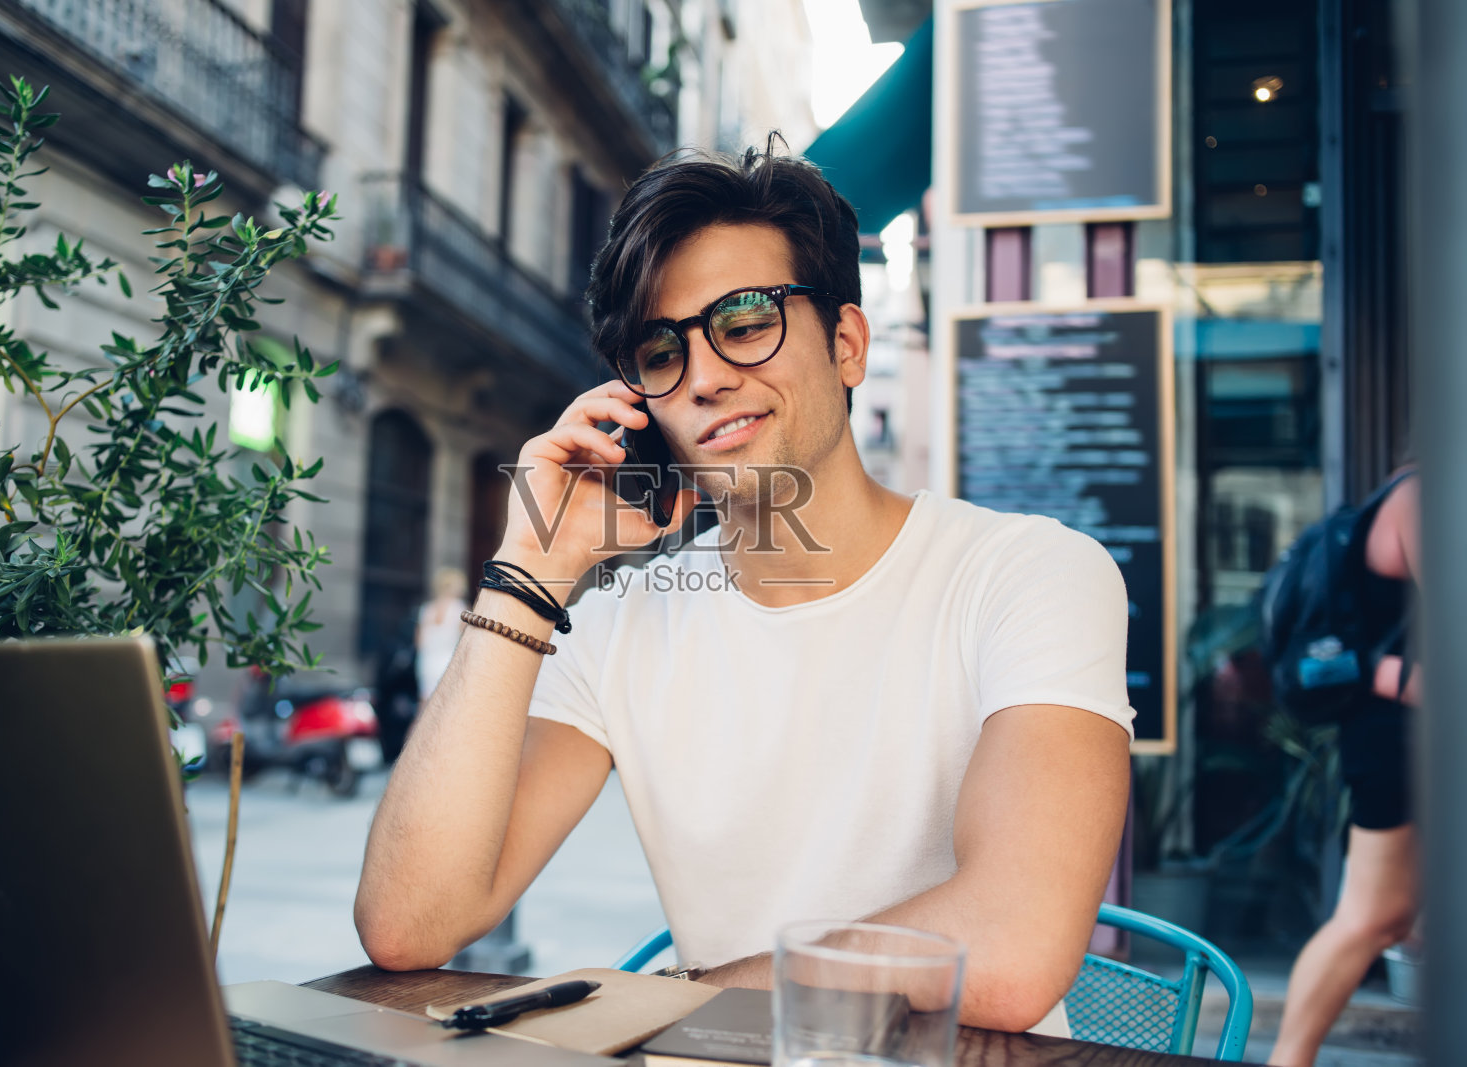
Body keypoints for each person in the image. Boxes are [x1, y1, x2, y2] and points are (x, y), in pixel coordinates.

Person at [354, 142, 1135, 1035]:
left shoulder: (1029, 573)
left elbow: (1009, 946)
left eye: (747, 319)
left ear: (846, 344)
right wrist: (530, 571)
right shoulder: (617, 626)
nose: (708, 376)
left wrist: (681, 1000)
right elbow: (409, 923)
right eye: (663, 349)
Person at [1270, 469, 1420, 1067]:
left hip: (1404, 736)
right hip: (1399, 742)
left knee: (1382, 915)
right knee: (1368, 917)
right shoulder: (1423, 496)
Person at [414, 567, 468, 703]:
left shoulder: (427, 609)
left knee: (424, 705)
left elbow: (419, 642)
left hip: (427, 662)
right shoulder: (460, 608)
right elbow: (467, 639)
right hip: (448, 662)